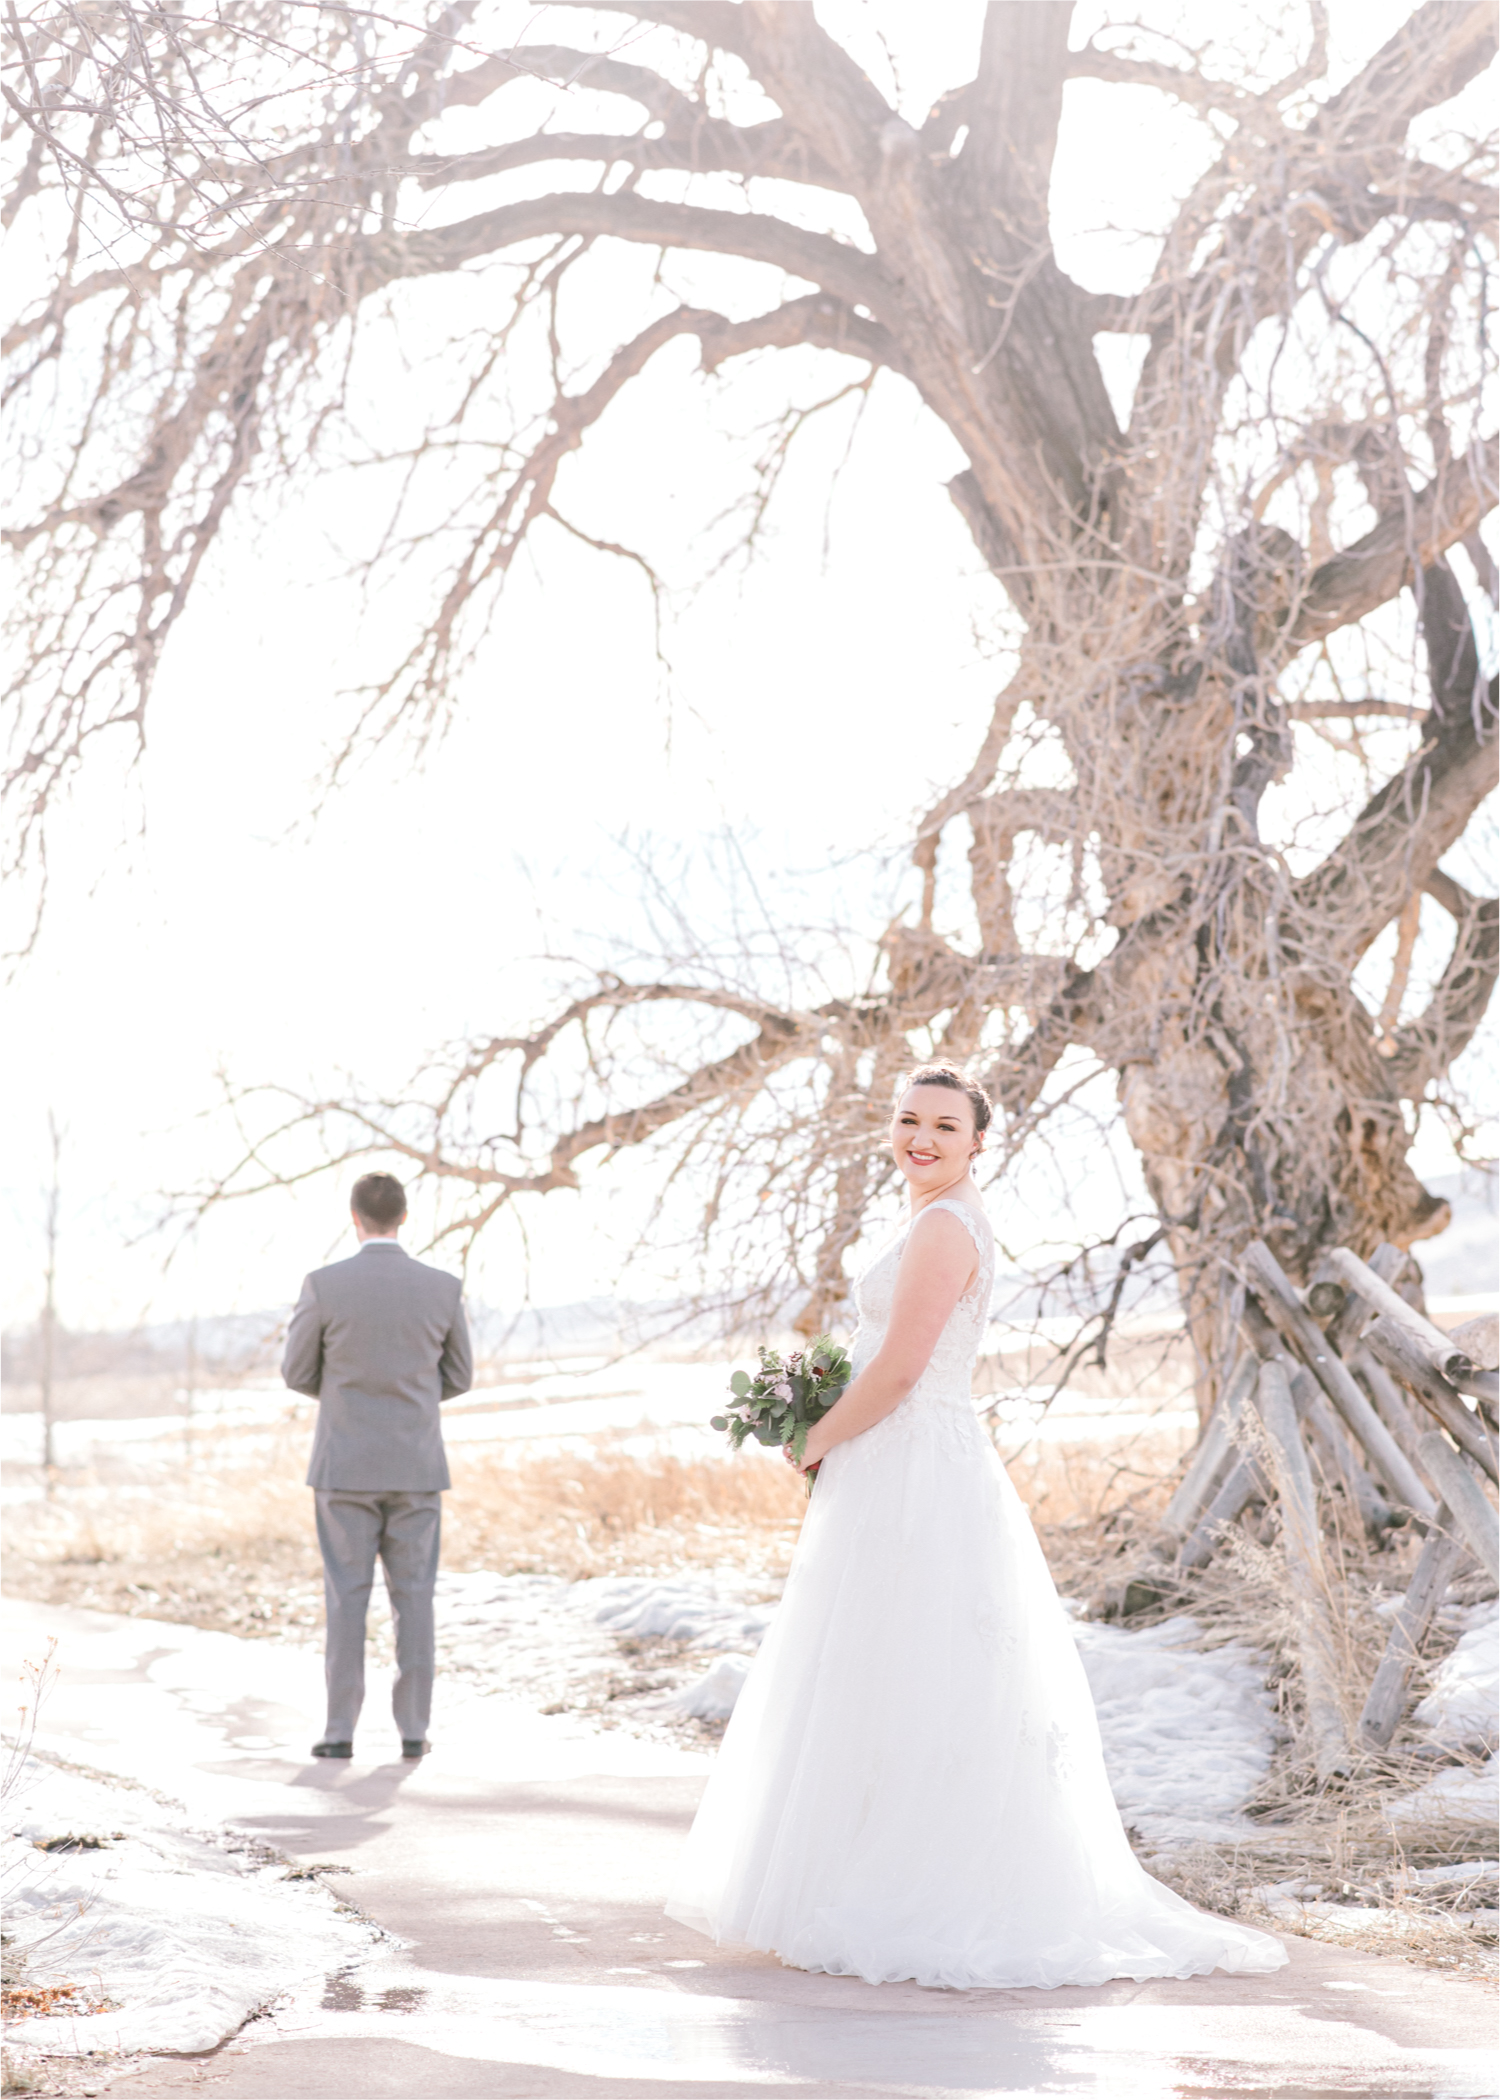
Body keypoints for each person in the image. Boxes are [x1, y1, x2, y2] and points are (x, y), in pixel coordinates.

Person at [666, 1063, 1286, 1989]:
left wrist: (812, 1439)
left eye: (943, 1127)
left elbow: (905, 1369)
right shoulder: (930, 1218)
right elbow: (882, 1356)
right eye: (908, 1121)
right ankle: (860, 1869)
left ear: (977, 1142)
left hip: (917, 1465)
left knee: (919, 1668)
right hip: (898, 1464)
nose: (921, 1137)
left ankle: (928, 1890)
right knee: (884, 1669)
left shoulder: (948, 1224)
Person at [281, 1171, 472, 1762]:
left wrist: (346, 1400)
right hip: (416, 1465)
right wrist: (409, 1402)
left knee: (346, 1597)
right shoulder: (441, 1288)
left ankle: (339, 1731)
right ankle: (413, 1730)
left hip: (344, 1464)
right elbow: (460, 1375)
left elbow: (295, 1372)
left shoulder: (324, 1285)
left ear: (355, 1217)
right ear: (404, 1217)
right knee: (415, 1597)